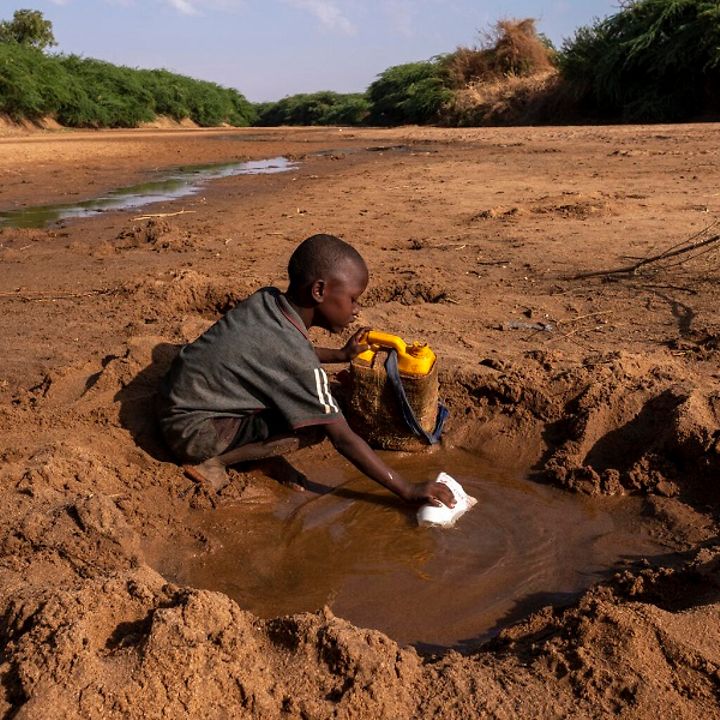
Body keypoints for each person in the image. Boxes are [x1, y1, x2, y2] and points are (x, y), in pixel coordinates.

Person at [157, 233, 454, 509]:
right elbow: (342, 438)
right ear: (319, 290)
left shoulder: (267, 300)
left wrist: (339, 355)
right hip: (193, 434)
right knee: (316, 423)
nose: (356, 309)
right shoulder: (295, 356)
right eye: (352, 298)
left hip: (176, 403)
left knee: (305, 397)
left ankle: (252, 455)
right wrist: (407, 488)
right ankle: (217, 460)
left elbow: (276, 354)